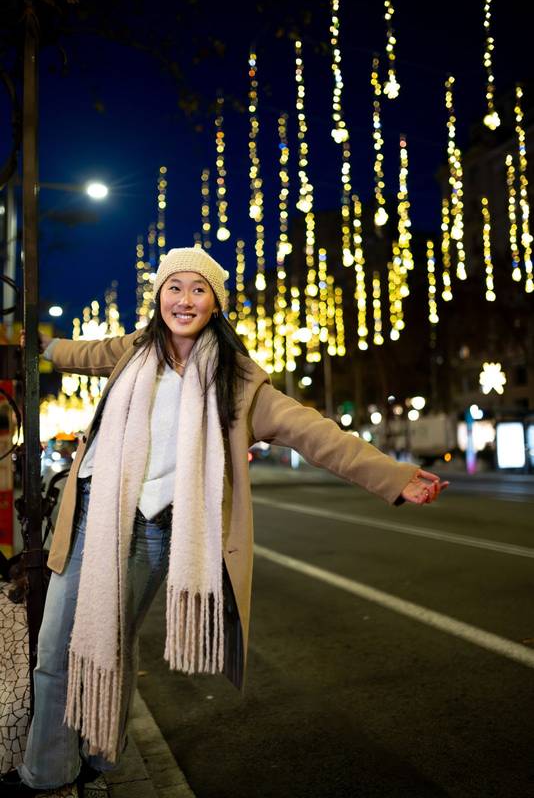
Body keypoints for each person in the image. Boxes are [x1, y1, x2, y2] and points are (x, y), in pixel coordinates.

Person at [1, 247, 448, 796]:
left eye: (199, 289)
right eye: (175, 287)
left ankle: (88, 757)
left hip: (158, 529)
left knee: (109, 642)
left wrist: (393, 476)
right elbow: (84, 352)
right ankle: (52, 770)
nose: (184, 299)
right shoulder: (132, 353)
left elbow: (315, 433)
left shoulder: (238, 385)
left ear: (215, 304)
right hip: (95, 513)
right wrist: (42, 347)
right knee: (58, 646)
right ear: (159, 296)